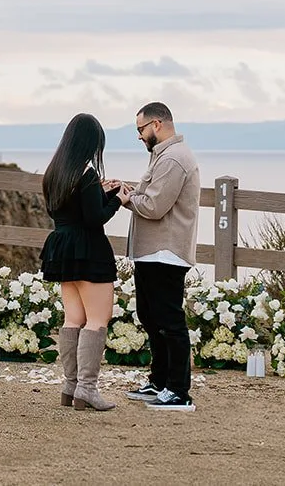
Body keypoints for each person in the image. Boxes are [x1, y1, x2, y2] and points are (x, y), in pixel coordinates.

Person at [117, 101, 200, 411]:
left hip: (166, 252)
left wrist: (127, 200)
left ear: (157, 124)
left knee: (169, 321)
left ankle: (179, 391)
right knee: (151, 318)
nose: (139, 136)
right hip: (153, 251)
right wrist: (128, 192)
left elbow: (154, 206)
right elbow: (149, 197)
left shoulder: (174, 159)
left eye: (141, 129)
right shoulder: (163, 156)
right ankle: (160, 382)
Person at [39, 112, 123, 411]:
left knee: (73, 318)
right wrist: (118, 199)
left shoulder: (55, 172)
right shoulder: (85, 173)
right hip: (88, 249)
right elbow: (95, 217)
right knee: (98, 319)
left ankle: (70, 386)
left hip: (62, 247)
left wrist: (100, 191)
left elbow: (68, 210)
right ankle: (87, 389)